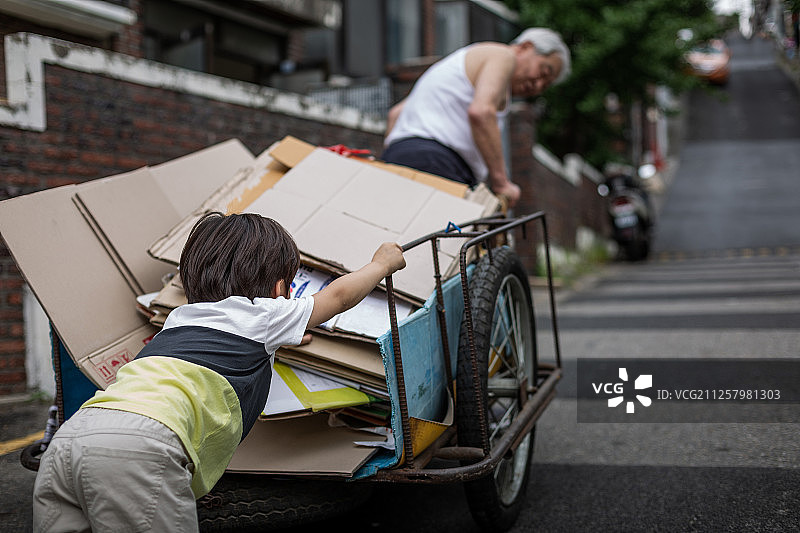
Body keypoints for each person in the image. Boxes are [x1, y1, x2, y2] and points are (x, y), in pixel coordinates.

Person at [32, 212, 406, 532]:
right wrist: (382, 264)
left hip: (73, 437)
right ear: (281, 288)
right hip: (143, 448)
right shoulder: (266, 315)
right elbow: (338, 297)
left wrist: (284, 338)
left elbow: (222, 345)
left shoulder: (178, 319)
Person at [381, 27, 571, 208]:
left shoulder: (457, 65)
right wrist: (502, 182)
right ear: (525, 47)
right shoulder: (503, 56)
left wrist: (390, 164)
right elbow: (482, 112)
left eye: (545, 84)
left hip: (400, 155)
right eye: (543, 72)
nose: (538, 85)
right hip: (438, 163)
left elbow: (395, 114)